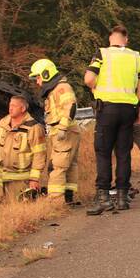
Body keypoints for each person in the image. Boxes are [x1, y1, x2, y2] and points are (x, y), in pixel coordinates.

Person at [84, 25, 140, 215]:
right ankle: (121, 198)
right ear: (126, 39)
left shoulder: (102, 53)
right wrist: (138, 111)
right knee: (123, 153)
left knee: (103, 152)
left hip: (107, 109)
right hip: (128, 109)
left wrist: (96, 89)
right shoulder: (136, 57)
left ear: (110, 38)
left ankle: (103, 197)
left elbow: (88, 79)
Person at [29, 59, 83, 207]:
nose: (37, 82)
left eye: (38, 77)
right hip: (64, 131)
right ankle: (68, 197)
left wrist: (62, 128)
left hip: (64, 132)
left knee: (57, 167)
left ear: (46, 74)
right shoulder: (55, 89)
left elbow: (70, 106)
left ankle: (55, 200)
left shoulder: (61, 88)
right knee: (69, 165)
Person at [0, 95, 46, 199]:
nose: (10, 108)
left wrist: (34, 179)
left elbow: (39, 155)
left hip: (20, 178)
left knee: (17, 202)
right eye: (10, 105)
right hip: (0, 176)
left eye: (14, 106)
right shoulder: (3, 122)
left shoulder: (34, 128)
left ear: (23, 109)